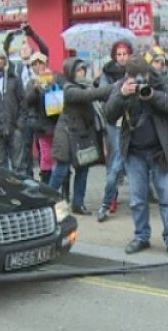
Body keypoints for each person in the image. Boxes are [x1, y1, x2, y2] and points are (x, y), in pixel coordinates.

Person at [105, 54, 168, 260]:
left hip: (159, 151)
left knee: (167, 198)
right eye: (136, 77)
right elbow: (109, 115)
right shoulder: (122, 85)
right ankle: (141, 236)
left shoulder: (159, 80)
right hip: (134, 153)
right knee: (137, 200)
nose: (141, 81)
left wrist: (152, 95)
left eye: (144, 76)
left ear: (149, 72)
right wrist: (122, 94)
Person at [50, 57, 113, 215]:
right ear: (71, 72)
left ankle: (78, 203)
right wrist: (115, 87)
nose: (82, 73)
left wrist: (97, 83)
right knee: (62, 170)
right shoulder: (68, 89)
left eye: (83, 69)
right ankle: (46, 199)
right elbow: (88, 96)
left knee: (83, 169)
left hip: (82, 135)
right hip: (66, 134)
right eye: (78, 70)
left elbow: (91, 93)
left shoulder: (86, 85)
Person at [4, 22, 50, 178]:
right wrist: (8, 40)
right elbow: (3, 56)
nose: (24, 49)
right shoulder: (15, 67)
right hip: (24, 113)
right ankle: (29, 178)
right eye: (21, 48)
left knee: (43, 149)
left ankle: (44, 177)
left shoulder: (38, 65)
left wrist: (32, 34)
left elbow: (45, 49)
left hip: (40, 113)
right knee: (25, 149)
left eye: (26, 47)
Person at [96, 39, 134, 222]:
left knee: (131, 164)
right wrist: (119, 86)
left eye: (125, 54)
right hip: (114, 123)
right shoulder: (107, 72)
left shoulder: (135, 70)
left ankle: (136, 198)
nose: (122, 58)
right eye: (119, 54)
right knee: (115, 163)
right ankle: (109, 199)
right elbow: (103, 95)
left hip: (131, 123)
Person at [25, 52, 64, 186]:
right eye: (34, 64)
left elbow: (64, 94)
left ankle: (64, 190)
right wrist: (36, 89)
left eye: (40, 63)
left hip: (58, 123)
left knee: (61, 157)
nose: (38, 66)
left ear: (45, 63)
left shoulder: (56, 77)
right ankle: (46, 186)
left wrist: (53, 84)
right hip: (42, 126)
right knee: (46, 156)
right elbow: (27, 102)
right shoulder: (31, 82)